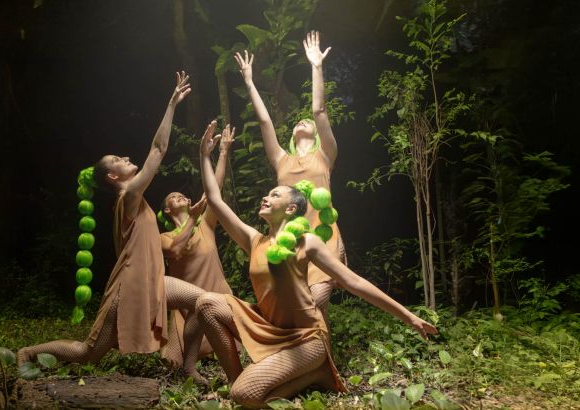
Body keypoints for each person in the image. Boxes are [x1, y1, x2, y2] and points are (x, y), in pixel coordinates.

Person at [195, 126, 438, 408]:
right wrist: (205, 156)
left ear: (290, 209)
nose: (266, 198)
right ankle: (239, 382)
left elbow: (353, 282)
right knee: (206, 304)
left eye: (275, 195)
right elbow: (214, 199)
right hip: (267, 327)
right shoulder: (254, 240)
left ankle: (314, 370)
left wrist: (410, 317)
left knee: (246, 395)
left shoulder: (307, 242)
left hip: (306, 339)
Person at [18, 72, 207, 366]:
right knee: (88, 352)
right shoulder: (128, 195)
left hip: (153, 281)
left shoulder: (133, 196)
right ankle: (27, 352)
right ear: (113, 176)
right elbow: (158, 150)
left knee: (202, 303)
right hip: (130, 287)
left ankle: (187, 369)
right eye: (119, 160)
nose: (126, 158)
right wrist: (171, 104)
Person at [234, 31, 346, 316]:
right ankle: (307, 352)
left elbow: (319, 110)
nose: (302, 120)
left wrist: (316, 66)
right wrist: (249, 82)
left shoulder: (325, 155)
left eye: (305, 121)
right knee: (295, 304)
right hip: (287, 238)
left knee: (317, 299)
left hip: (322, 235)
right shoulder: (281, 159)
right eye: (298, 121)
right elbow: (264, 121)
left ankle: (315, 353)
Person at [158, 120, 236, 383]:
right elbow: (173, 251)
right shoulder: (165, 236)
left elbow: (216, 190)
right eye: (173, 196)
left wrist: (222, 153)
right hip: (186, 310)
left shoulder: (206, 225)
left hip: (219, 296)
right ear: (167, 210)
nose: (180, 196)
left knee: (233, 349)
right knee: (171, 363)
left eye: (183, 194)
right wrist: (191, 218)